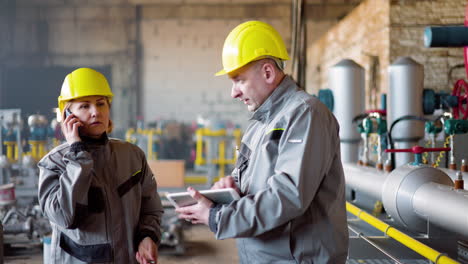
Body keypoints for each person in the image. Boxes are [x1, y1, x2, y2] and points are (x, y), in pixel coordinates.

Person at [175, 21, 349, 263]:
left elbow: (288, 195)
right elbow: (249, 178)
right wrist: (231, 186)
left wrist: (218, 217)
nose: (233, 92)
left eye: (239, 80)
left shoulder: (305, 114)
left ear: (267, 72)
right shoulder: (259, 122)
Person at [38, 68, 163, 264]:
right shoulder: (54, 164)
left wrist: (148, 235)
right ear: (67, 115)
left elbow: (151, 208)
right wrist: (78, 155)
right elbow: (65, 217)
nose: (96, 112)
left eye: (101, 104)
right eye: (85, 106)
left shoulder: (132, 155)